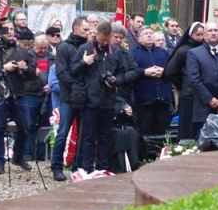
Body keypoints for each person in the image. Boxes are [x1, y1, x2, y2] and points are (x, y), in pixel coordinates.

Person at [70, 21, 129, 171]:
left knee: (105, 137)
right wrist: (84, 62)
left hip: (109, 101)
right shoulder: (85, 48)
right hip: (90, 101)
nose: (104, 42)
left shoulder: (115, 51)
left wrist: (117, 80)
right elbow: (73, 72)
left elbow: (124, 72)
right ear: (96, 35)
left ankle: (103, 167)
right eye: (102, 39)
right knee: (89, 137)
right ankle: (87, 167)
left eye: (107, 40)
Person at [0, 23, 34, 174]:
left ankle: (18, 156)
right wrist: (3, 68)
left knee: (26, 126)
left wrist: (25, 68)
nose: (10, 32)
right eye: (6, 29)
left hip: (18, 94)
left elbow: (33, 73)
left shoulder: (22, 51)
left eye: (11, 29)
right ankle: (0, 162)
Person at [50, 17, 90, 181]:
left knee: (83, 134)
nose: (88, 33)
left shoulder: (88, 47)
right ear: (75, 28)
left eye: (89, 30)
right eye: (85, 30)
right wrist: (75, 86)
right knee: (63, 132)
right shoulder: (64, 47)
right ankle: (57, 167)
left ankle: (77, 166)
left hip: (86, 96)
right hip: (68, 97)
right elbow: (61, 73)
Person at [186, 21, 218, 139]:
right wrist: (209, 99)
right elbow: (194, 79)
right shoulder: (194, 53)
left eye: (215, 30)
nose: (213, 33)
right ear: (204, 35)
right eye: (210, 31)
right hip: (204, 106)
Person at [163, 22, 204, 142]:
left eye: (202, 34)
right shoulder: (183, 50)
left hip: (203, 94)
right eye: (198, 35)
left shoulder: (204, 49)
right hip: (188, 94)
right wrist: (181, 83)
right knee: (187, 126)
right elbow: (170, 71)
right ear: (191, 35)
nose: (201, 38)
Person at [130, 28, 173, 137]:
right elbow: (129, 72)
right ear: (139, 38)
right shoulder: (132, 53)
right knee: (143, 133)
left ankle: (158, 154)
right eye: (146, 33)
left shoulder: (163, 52)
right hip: (144, 101)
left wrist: (165, 71)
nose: (149, 35)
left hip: (163, 100)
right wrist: (144, 72)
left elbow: (172, 70)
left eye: (151, 33)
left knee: (161, 134)